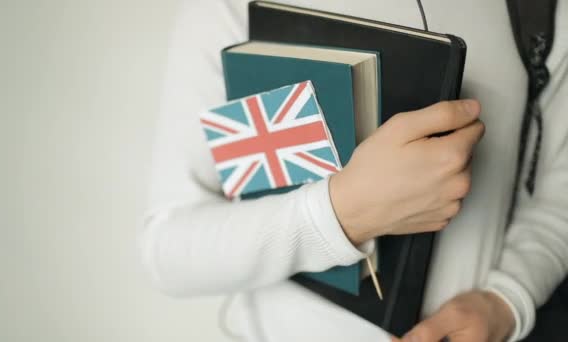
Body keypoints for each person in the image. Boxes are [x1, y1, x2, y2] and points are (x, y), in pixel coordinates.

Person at [139, 1, 568, 341]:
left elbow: (559, 189)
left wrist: (508, 300)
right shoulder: (226, 9)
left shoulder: (540, 10)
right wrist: (343, 213)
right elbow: (168, 249)